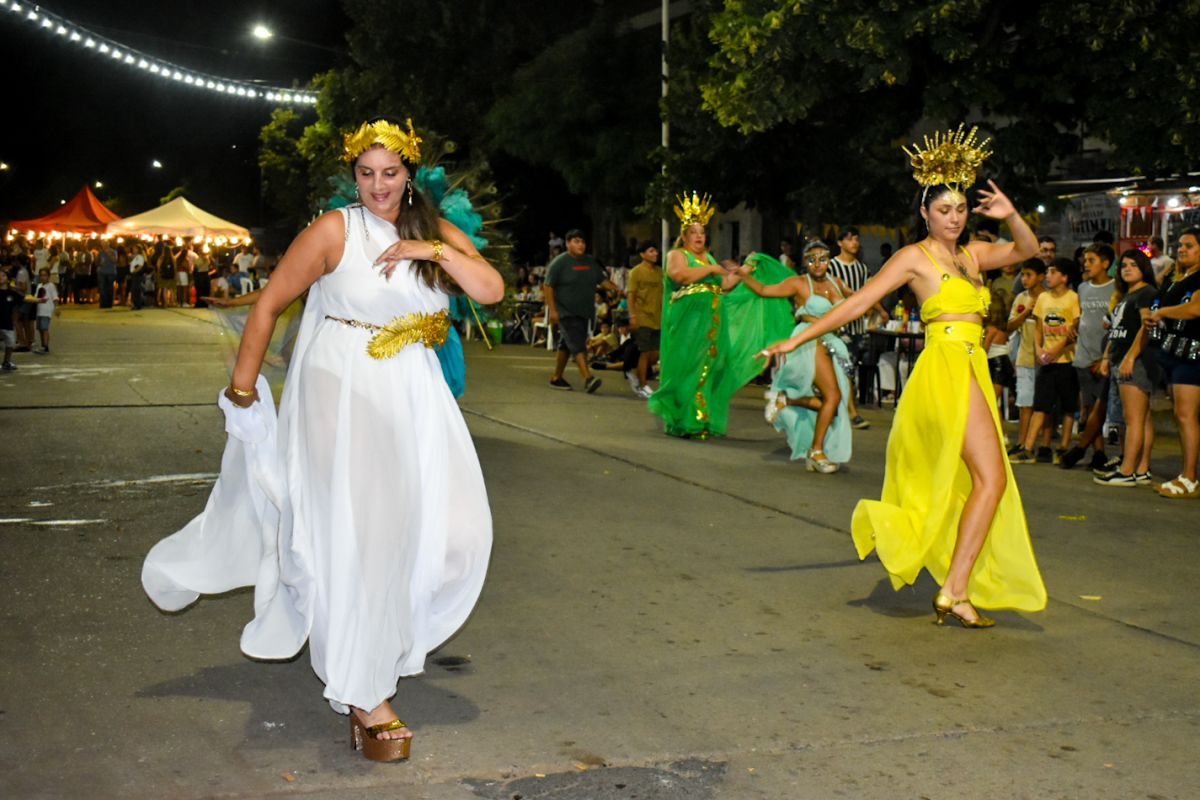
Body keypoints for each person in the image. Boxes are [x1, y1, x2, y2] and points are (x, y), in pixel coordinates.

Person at [142, 117, 504, 762]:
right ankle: (366, 693)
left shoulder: (433, 231)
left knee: (456, 533)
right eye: (366, 174)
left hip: (416, 393)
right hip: (343, 386)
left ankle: (378, 650)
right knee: (361, 538)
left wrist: (432, 252)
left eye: (389, 173)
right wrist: (244, 391)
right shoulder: (337, 229)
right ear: (353, 176)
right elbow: (269, 303)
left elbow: (491, 289)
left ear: (409, 173)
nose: (377, 186)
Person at [761, 126, 1047, 626]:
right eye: (944, 211)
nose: (954, 219)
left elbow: (1027, 251)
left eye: (960, 210)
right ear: (924, 213)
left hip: (973, 366)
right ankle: (954, 589)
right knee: (991, 477)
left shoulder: (974, 254)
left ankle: (954, 589)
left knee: (986, 480)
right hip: (944, 371)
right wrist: (796, 339)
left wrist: (1011, 214)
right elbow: (856, 303)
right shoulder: (913, 258)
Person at [739, 242, 853, 472]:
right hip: (809, 342)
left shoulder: (837, 283)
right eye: (812, 259)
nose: (818, 264)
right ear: (805, 263)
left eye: (823, 258)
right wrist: (744, 274)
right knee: (833, 396)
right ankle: (817, 452)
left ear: (829, 260)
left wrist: (880, 309)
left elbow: (859, 300)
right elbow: (763, 290)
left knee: (834, 402)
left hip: (833, 342)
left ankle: (786, 400)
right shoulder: (799, 284)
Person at [648, 193, 746, 438]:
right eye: (694, 232)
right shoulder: (678, 255)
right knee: (688, 366)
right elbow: (679, 276)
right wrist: (712, 268)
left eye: (702, 231)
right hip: (688, 323)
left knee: (709, 367)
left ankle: (700, 418)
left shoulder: (708, 257)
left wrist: (745, 271)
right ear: (684, 235)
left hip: (712, 323)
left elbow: (723, 285)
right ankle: (684, 418)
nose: (699, 236)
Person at [1095, 250, 1159, 486]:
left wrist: (1131, 358)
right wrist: (1106, 357)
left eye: (1133, 264)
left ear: (1144, 267)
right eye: (1123, 265)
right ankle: (1141, 469)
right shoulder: (1126, 295)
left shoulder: (1146, 293)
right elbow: (1116, 330)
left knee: (1133, 420)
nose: (1127, 268)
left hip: (1137, 362)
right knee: (1141, 420)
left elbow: (1147, 327)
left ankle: (1127, 470)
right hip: (1120, 359)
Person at [1146, 227, 1200, 498]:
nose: (1181, 249)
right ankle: (1187, 474)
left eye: (1189, 245)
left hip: (1194, 356)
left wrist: (1163, 312)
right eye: (1180, 245)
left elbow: (1195, 309)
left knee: (1186, 415)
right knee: (1183, 416)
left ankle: (1190, 478)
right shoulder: (1176, 277)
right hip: (1173, 354)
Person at [1009, 261, 1081, 463]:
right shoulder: (1043, 298)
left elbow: (1074, 327)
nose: (1049, 276)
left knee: (1067, 406)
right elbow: (1039, 326)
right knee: (1040, 405)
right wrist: (1040, 349)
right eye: (1048, 272)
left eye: (1053, 272)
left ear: (1064, 277)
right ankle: (1029, 447)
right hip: (1046, 361)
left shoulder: (1073, 298)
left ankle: (1063, 447)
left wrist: (1056, 349)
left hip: (1066, 359)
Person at [1060, 244, 1116, 470]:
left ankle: (1081, 448)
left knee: (1098, 408)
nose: (1086, 264)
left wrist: (1106, 357)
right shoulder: (1082, 288)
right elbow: (1083, 315)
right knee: (1088, 406)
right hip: (1083, 353)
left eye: (1091, 260)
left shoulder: (1115, 289)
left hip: (1103, 357)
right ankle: (1099, 452)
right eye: (1085, 260)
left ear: (1105, 263)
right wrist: (1074, 324)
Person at [544, 229, 621, 393]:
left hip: (584, 311)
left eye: (583, 242)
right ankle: (588, 378)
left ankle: (556, 378)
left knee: (567, 344)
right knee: (578, 344)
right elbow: (548, 286)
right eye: (576, 241)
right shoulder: (559, 263)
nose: (581, 245)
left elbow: (601, 280)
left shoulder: (589, 262)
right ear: (567, 244)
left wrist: (613, 288)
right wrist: (553, 310)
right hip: (565, 311)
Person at [828, 227, 890, 429]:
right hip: (838, 328)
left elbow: (869, 293)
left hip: (857, 329)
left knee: (849, 371)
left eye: (856, 238)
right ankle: (852, 413)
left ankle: (837, 409)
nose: (854, 242)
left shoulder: (862, 269)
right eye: (849, 239)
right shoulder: (831, 267)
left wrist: (881, 311)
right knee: (846, 370)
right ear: (840, 243)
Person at [1005, 259, 1048, 454]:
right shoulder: (1021, 298)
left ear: (1041, 277)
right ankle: (1022, 442)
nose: (1024, 279)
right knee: (1024, 402)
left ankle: (1043, 445)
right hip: (1024, 356)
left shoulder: (1048, 298)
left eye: (1029, 275)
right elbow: (1010, 326)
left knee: (1044, 402)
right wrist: (1026, 314)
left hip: (1045, 358)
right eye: (1022, 275)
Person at [626, 241, 663, 398]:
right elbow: (631, 294)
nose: (655, 254)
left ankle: (633, 372)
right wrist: (632, 315)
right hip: (642, 316)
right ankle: (643, 384)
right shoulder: (636, 272)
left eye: (656, 251)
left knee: (656, 354)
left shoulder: (660, 272)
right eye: (651, 251)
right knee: (645, 352)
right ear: (642, 254)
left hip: (658, 317)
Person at [33, 268, 58, 353]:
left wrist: (56, 308)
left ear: (48, 276)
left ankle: (46, 346)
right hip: (39, 310)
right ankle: (43, 345)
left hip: (46, 310)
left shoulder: (51, 286)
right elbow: (36, 297)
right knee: (40, 329)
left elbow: (55, 297)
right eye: (41, 275)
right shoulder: (39, 286)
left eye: (45, 275)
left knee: (44, 328)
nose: (43, 277)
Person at [0, 270, 22, 370]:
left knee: (10, 343)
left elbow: (21, 302)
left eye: (3, 275)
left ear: (7, 279)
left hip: (7, 322)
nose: (1, 277)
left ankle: (6, 361)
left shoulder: (12, 293)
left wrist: (39, 300)